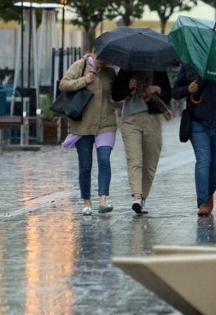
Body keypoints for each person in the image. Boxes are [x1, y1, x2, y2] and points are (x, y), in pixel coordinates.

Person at [171, 64, 216, 216]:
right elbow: (175, 92)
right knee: (203, 160)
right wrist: (187, 89)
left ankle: (208, 193)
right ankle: (202, 202)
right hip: (198, 123)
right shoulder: (189, 65)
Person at [59, 49, 117, 216]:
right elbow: (63, 84)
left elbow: (117, 95)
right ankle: (87, 202)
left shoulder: (110, 73)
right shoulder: (80, 65)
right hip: (83, 124)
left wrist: (129, 86)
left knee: (104, 159)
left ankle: (103, 200)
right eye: (100, 58)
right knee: (85, 165)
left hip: (105, 123)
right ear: (93, 52)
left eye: (106, 59)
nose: (103, 62)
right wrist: (83, 81)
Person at [112, 69, 173, 215]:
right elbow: (115, 95)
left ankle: (143, 197)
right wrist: (128, 87)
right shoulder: (126, 69)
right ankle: (137, 197)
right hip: (130, 120)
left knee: (151, 161)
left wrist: (157, 89)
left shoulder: (158, 69)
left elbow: (169, 95)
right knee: (135, 159)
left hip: (152, 119)